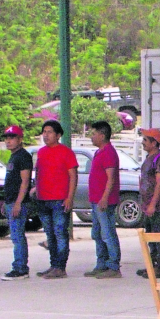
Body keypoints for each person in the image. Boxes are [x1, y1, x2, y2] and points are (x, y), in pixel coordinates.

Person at [34, 119, 78, 279]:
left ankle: (61, 266)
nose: (46, 135)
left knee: (60, 233)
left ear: (58, 135)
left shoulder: (66, 152)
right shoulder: (42, 152)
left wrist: (69, 197)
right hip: (43, 199)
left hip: (59, 199)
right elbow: (38, 174)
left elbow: (73, 176)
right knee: (50, 234)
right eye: (44, 132)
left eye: (49, 132)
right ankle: (53, 265)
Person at [86, 120, 122, 279]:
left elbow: (111, 178)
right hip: (95, 200)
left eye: (94, 134)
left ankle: (113, 265)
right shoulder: (99, 152)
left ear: (102, 135)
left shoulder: (108, 153)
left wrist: (105, 198)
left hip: (103, 201)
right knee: (98, 233)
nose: (92, 137)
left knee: (107, 233)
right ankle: (101, 263)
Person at [137, 128, 160, 278]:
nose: (143, 142)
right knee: (151, 236)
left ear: (154, 143)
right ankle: (152, 266)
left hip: (158, 206)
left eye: (146, 140)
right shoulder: (149, 157)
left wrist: (152, 204)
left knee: (159, 237)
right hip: (148, 206)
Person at [0, 125, 33, 281]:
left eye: (12, 137)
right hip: (10, 201)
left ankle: (20, 268)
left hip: (18, 202)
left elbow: (25, 182)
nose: (8, 141)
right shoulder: (13, 156)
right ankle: (19, 266)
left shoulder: (23, 156)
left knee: (18, 236)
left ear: (20, 139)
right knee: (15, 235)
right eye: (7, 138)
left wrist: (18, 203)